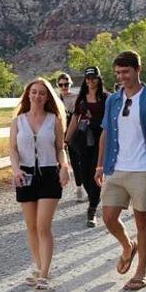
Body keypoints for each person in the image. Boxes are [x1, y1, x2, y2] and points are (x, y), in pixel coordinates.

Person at [95, 51, 146, 291]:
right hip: (116, 167)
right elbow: (105, 133)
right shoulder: (113, 100)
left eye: (126, 72)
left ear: (138, 69)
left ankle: (141, 271)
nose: (121, 77)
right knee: (108, 218)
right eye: (117, 73)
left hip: (142, 170)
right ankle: (128, 246)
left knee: (141, 221)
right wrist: (99, 165)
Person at [9, 78, 70, 292]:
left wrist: (64, 166)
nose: (37, 96)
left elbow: (60, 148)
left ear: (47, 97)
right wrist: (16, 170)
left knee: (43, 227)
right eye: (34, 92)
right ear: (28, 95)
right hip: (25, 175)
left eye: (42, 93)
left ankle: (44, 276)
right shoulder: (18, 121)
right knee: (32, 227)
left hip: (48, 175)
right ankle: (39, 266)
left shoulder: (54, 120)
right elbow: (13, 150)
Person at [65, 67, 108, 227]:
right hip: (83, 140)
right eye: (88, 78)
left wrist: (94, 119)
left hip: (100, 140)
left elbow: (109, 122)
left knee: (94, 171)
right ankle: (94, 198)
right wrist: (66, 140)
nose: (90, 80)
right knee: (83, 174)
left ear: (99, 79)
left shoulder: (105, 98)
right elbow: (74, 120)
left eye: (94, 77)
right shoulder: (81, 98)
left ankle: (92, 209)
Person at [57, 72, 85, 203]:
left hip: (75, 133)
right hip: (59, 133)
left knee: (78, 160)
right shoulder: (56, 100)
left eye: (66, 84)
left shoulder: (76, 98)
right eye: (61, 84)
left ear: (70, 84)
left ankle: (82, 187)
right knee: (63, 162)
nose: (64, 87)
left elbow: (78, 116)